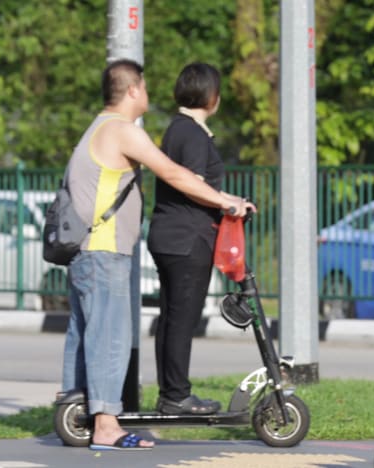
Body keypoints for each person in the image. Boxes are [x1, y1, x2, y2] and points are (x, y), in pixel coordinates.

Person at [61, 59, 254, 451]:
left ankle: (74, 412)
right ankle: (105, 427)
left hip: (89, 250)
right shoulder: (120, 130)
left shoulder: (98, 128)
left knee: (84, 334)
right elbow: (175, 174)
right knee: (109, 336)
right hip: (104, 249)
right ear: (133, 90)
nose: (149, 94)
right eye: (145, 87)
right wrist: (227, 202)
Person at [146, 62, 229, 415]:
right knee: (182, 318)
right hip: (187, 238)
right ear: (212, 96)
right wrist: (229, 202)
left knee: (171, 317)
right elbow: (190, 182)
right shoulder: (192, 134)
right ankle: (177, 395)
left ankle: (171, 393)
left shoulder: (176, 129)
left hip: (169, 236)